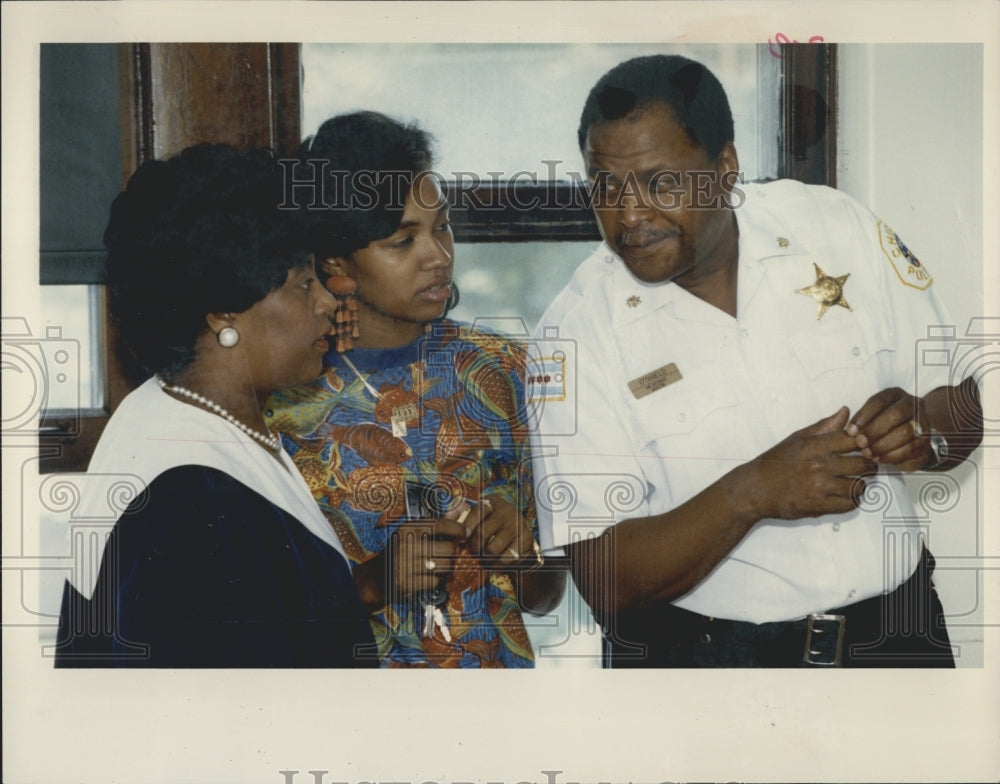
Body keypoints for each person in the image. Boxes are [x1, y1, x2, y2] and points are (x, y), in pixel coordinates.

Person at [529, 54, 983, 667]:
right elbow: (603, 580)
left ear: (724, 167)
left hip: (897, 637)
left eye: (662, 184)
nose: (629, 215)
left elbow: (963, 406)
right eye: (604, 186)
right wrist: (753, 493)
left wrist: (924, 431)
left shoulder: (836, 229)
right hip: (707, 663)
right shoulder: (574, 334)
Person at [55, 144, 377, 668]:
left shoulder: (170, 414)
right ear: (223, 311)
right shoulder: (186, 497)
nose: (327, 300)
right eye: (302, 283)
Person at [267, 111, 566, 668]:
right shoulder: (283, 405)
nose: (438, 256)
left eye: (442, 227)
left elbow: (545, 596)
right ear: (337, 260)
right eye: (402, 240)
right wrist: (370, 584)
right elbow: (261, 617)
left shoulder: (504, 371)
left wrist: (524, 554)